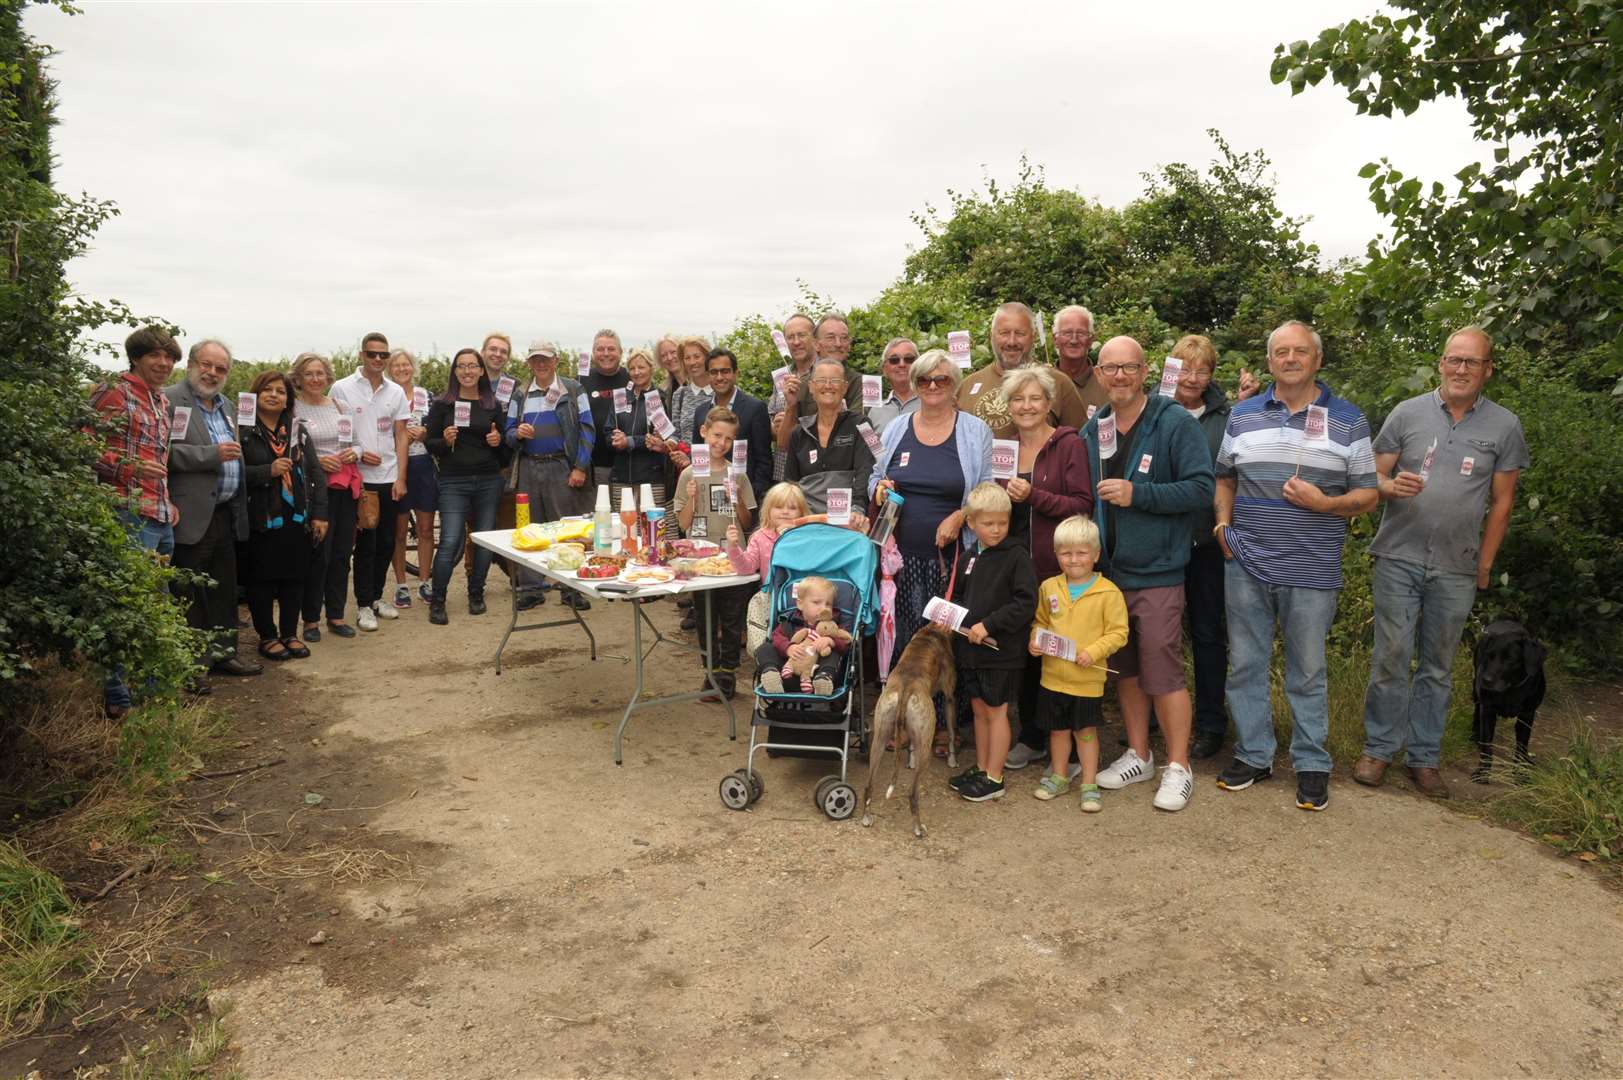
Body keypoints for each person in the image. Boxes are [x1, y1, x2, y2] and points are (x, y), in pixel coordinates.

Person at [1356, 326, 1529, 799]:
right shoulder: (1407, 413)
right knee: (1390, 657)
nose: (1461, 369)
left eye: (1472, 362)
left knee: (1437, 665)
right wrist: (1388, 486)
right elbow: (1370, 471)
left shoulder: (1505, 426)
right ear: (1441, 364)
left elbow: (1503, 503)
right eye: (1454, 360)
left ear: (1487, 370)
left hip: (1457, 564)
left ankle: (1425, 758)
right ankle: (1378, 749)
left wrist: (1485, 563)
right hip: (1397, 555)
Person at [1213, 320, 1378, 812]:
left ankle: (1311, 762)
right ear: (1269, 363)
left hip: (1311, 567)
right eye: (1280, 352)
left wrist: (1325, 505)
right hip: (1246, 561)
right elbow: (1224, 477)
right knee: (1245, 665)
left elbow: (1369, 494)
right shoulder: (1242, 416)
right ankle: (1255, 753)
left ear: (1317, 360)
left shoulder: (1349, 420)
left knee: (1307, 670)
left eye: (1299, 351)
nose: (1289, 359)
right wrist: (1222, 526)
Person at [1080, 336, 1215, 813]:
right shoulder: (1094, 425)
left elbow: (1201, 490)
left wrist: (1140, 495)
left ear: (1145, 372)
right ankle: (1140, 754)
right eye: (1110, 368)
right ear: (1098, 374)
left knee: (1163, 667)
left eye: (1129, 368)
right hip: (1109, 573)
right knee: (1126, 668)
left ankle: (1179, 765)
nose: (1119, 377)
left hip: (1157, 569)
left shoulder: (1173, 421)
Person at [869, 350, 994, 756]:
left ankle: (941, 725)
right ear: (915, 385)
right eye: (925, 381)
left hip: (952, 558)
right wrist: (879, 489)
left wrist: (961, 516)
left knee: (944, 642)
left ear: (954, 384)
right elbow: (876, 476)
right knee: (908, 641)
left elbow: (987, 490)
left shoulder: (975, 431)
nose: (934, 387)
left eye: (942, 380)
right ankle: (905, 718)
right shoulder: (897, 429)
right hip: (901, 559)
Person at [997, 365, 1096, 773]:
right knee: (1027, 653)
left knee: (1060, 654)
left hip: (1056, 566)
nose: (1026, 406)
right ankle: (1032, 737)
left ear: (1050, 403)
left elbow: (1082, 503)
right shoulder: (1001, 446)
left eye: (1035, 398)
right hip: (1014, 566)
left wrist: (1035, 496)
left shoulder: (1067, 444)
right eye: (1018, 399)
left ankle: (1070, 745)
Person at [90, 326, 182, 717]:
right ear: (136, 357)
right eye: (155, 356)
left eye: (169, 358)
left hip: (159, 516)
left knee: (155, 608)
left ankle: (151, 691)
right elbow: (80, 443)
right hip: (125, 513)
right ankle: (118, 697)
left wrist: (169, 501)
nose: (163, 364)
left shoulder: (161, 401)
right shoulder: (113, 391)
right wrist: (127, 469)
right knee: (126, 607)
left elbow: (158, 461)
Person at [167, 338, 260, 678]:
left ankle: (224, 654)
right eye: (206, 365)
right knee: (189, 590)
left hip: (224, 511)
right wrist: (211, 455)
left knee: (223, 587)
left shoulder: (227, 406)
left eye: (220, 368)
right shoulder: (171, 400)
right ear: (191, 364)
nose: (212, 373)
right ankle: (193, 665)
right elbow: (164, 453)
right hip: (189, 513)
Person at [1026, 515, 1129, 811]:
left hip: (1086, 680)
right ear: (1056, 554)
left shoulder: (1108, 592)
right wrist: (1036, 640)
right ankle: (1059, 775)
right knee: (1057, 731)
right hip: (1053, 677)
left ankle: (1089, 782)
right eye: (1066, 553)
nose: (1074, 560)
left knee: (1085, 731)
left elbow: (1119, 632)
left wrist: (1095, 652)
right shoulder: (1048, 587)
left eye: (1082, 553)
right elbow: (1041, 622)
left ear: (1096, 554)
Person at [944, 483, 1038, 802]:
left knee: (997, 712)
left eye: (1002, 522)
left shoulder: (1016, 555)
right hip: (971, 650)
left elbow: (1025, 602)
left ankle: (995, 776)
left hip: (1002, 651)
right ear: (971, 523)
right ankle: (982, 767)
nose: (996, 529)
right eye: (988, 523)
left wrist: (990, 624)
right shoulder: (970, 556)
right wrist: (949, 615)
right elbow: (958, 595)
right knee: (979, 709)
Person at [1168, 335, 1233, 760]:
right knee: (1160, 633)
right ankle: (1162, 714)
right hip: (1162, 540)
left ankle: (1211, 723)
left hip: (1208, 540)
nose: (1192, 378)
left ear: (1212, 373)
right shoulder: (1153, 410)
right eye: (1185, 368)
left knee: (1209, 634)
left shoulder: (1228, 416)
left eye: (1202, 370)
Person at [239, 370, 328, 661]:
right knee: (261, 578)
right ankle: (267, 636)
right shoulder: (242, 429)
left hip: (296, 516)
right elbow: (233, 472)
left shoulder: (296, 429)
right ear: (256, 393)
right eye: (268, 389)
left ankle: (290, 633)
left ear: (288, 399)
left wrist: (320, 513)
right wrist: (268, 471)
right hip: (261, 516)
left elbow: (315, 471)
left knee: (295, 577)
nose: (274, 395)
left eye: (280, 391)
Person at [674, 406, 757, 699]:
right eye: (717, 435)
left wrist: (734, 498)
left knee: (733, 616)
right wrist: (693, 499)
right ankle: (710, 671)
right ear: (704, 433)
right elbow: (683, 524)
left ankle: (728, 673)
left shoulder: (738, 475)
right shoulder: (688, 475)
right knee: (706, 615)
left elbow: (747, 523)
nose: (721, 443)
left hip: (733, 558)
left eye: (728, 439)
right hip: (700, 560)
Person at [505, 340, 595, 611]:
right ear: (529, 363)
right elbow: (508, 431)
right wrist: (517, 433)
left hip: (561, 467)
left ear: (556, 360)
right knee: (530, 528)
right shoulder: (520, 393)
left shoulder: (573, 388)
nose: (541, 364)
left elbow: (588, 428)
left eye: (546, 359)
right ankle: (531, 588)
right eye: (536, 359)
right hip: (529, 467)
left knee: (566, 528)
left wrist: (580, 466)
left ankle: (571, 588)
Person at [330, 331, 411, 633]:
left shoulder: (395, 393)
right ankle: (363, 603)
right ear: (362, 355)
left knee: (388, 542)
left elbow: (401, 435)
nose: (378, 359)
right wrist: (359, 454)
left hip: (390, 477)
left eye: (383, 355)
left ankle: (376, 597)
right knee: (366, 543)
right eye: (372, 354)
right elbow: (337, 433)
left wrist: (401, 477)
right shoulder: (342, 388)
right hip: (359, 479)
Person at [423, 348, 510, 624]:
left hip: (488, 480)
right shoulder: (442, 405)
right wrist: (444, 441)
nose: (467, 371)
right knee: (449, 541)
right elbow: (430, 444)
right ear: (455, 371)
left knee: (483, 541)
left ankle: (476, 593)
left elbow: (505, 452)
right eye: (461, 366)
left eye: (473, 366)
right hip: (453, 481)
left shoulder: (492, 405)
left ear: (482, 371)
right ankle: (437, 600)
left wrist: (499, 443)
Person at [289, 352, 360, 641]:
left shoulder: (340, 406)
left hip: (343, 490)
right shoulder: (293, 409)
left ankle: (336, 614)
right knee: (318, 554)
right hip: (314, 493)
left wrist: (352, 452)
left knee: (342, 554)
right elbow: (290, 449)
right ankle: (309, 619)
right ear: (299, 378)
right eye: (309, 374)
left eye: (320, 373)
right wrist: (317, 461)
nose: (316, 379)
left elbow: (356, 442)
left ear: (328, 376)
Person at [957, 301, 1090, 435]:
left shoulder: (1058, 383)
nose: (1012, 342)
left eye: (1020, 333)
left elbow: (1080, 443)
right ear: (991, 336)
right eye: (1004, 333)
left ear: (1033, 337)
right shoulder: (967, 385)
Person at [784, 357, 877, 514]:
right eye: (821, 381)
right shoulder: (799, 432)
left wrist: (857, 508)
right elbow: (791, 483)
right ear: (811, 387)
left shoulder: (862, 424)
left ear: (845, 387)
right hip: (808, 520)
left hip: (848, 517)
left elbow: (866, 470)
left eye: (834, 380)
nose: (827, 386)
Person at [772, 311, 866, 459]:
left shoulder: (862, 383)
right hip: (806, 473)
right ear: (816, 344)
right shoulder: (800, 383)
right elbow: (784, 444)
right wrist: (790, 408)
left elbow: (859, 432)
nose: (838, 344)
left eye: (844, 338)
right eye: (830, 338)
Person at [688, 348, 772, 500]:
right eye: (714, 372)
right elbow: (697, 455)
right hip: (707, 497)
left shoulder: (755, 408)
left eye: (725, 371)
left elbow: (764, 460)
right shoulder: (701, 412)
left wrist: (751, 496)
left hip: (743, 498)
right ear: (707, 376)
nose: (719, 377)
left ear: (736, 373)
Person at [388, 349, 434, 609]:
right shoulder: (386, 396)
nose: (402, 369)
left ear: (412, 368)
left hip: (423, 465)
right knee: (399, 531)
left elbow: (436, 426)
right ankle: (401, 585)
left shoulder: (425, 395)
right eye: (396, 366)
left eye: (406, 365)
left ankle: (425, 582)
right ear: (390, 369)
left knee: (426, 529)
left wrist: (426, 431)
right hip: (396, 466)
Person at [606, 348, 673, 526]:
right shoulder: (621, 397)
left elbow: (661, 438)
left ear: (651, 369)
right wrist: (614, 438)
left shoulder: (658, 398)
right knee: (625, 529)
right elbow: (607, 432)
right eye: (633, 368)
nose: (637, 372)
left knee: (652, 528)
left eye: (641, 367)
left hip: (651, 478)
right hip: (621, 477)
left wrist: (629, 441)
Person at [755, 574, 850, 695]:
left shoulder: (833, 627)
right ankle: (771, 673)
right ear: (800, 604)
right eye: (816, 602)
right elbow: (776, 638)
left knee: (835, 652)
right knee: (765, 647)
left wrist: (830, 641)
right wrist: (788, 648)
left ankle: (824, 679)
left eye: (828, 604)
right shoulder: (790, 622)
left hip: (813, 675)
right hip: (786, 673)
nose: (824, 608)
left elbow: (846, 643)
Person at [767, 313, 817, 482]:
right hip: (783, 472)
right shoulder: (781, 376)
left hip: (814, 473)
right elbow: (772, 430)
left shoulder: (826, 373)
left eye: (802, 335)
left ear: (815, 338)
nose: (796, 342)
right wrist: (775, 426)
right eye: (790, 337)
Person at [724, 479, 810, 576]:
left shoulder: (808, 536)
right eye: (778, 507)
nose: (785, 511)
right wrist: (733, 547)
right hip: (770, 591)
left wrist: (791, 536)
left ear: (802, 513)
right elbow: (746, 568)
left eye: (792, 508)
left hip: (802, 590)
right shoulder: (760, 537)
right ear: (768, 510)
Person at [580, 329, 629, 489]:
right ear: (593, 353)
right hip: (592, 468)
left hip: (628, 466)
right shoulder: (581, 381)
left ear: (621, 352)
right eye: (600, 349)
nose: (606, 353)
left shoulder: (632, 378)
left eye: (611, 349)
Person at [1051, 305, 1110, 414]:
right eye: (1067, 333)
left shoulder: (1107, 382)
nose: (1074, 340)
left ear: (1091, 340)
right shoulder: (1042, 383)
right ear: (1055, 339)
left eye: (1081, 333)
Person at [865, 338, 921, 435]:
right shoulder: (874, 412)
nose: (902, 364)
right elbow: (871, 449)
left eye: (909, 359)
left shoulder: (932, 403)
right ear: (884, 369)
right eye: (894, 360)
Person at [669, 336, 713, 455]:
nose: (692, 362)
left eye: (697, 356)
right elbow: (676, 434)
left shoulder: (721, 391)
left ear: (707, 357)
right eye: (687, 358)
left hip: (718, 467)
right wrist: (669, 443)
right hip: (687, 468)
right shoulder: (680, 394)